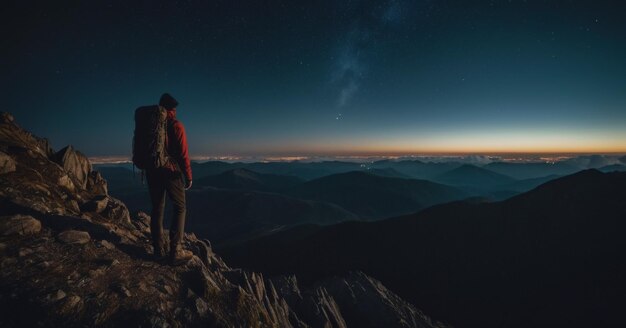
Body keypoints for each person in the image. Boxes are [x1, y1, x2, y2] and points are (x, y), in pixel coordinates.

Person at [146, 93, 194, 265]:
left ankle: (158, 250)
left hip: (151, 171)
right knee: (180, 207)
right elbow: (183, 154)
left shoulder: (150, 124)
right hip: (170, 171)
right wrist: (188, 176)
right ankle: (176, 251)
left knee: (157, 208)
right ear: (173, 109)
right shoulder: (175, 125)